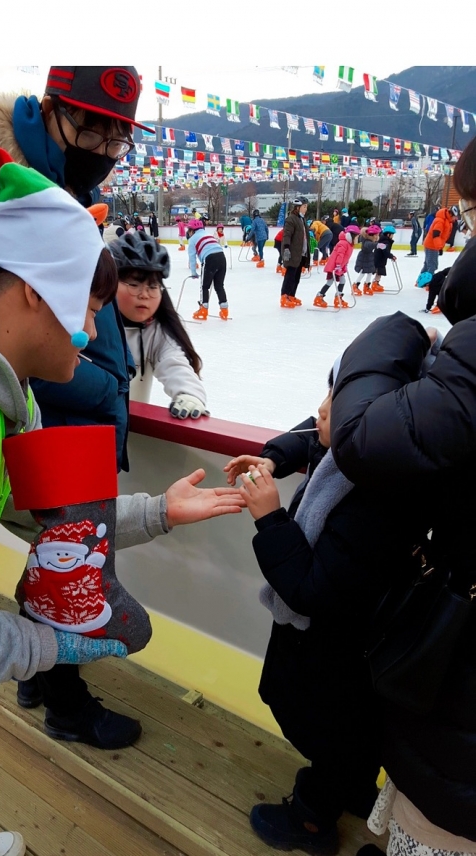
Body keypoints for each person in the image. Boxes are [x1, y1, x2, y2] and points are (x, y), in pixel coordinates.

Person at [0, 147, 246, 856]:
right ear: (34, 292)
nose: (98, 333)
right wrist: (59, 643)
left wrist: (159, 510)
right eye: (92, 307)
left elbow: (54, 518)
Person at [330, 136, 476, 856]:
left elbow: (368, 439)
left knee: (443, 801)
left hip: (461, 653)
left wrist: (379, 345)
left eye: (471, 217)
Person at [223, 370, 424, 856]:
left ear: (362, 422)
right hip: (357, 646)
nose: (320, 409)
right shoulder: (373, 456)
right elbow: (309, 435)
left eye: (334, 402)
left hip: (331, 644)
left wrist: (270, 518)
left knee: (323, 723)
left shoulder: (374, 503)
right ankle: (352, 787)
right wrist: (272, 457)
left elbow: (311, 588)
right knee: (350, 726)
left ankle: (312, 816)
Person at [0, 65, 153, 475]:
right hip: (52, 425)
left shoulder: (75, 187)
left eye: (117, 142)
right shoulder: (6, 186)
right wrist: (110, 386)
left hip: (84, 422)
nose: (102, 154)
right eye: (90, 134)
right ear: (52, 109)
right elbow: (4, 332)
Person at [111, 231, 208, 419]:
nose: (144, 294)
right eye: (134, 284)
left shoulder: (155, 332)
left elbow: (174, 362)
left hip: (128, 436)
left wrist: (189, 393)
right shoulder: (91, 326)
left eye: (153, 286)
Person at [187, 218, 229, 321]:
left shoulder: (192, 239)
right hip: (222, 257)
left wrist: (193, 272)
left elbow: (192, 258)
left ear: (192, 230)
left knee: (205, 286)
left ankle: (203, 310)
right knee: (219, 285)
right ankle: (224, 310)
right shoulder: (208, 234)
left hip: (209, 259)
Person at [313, 225, 360, 309]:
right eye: (356, 237)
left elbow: (346, 257)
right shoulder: (343, 243)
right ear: (351, 236)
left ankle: (338, 297)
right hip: (334, 267)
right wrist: (338, 265)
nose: (357, 239)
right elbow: (340, 255)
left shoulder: (349, 244)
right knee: (330, 282)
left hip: (339, 267)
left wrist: (344, 266)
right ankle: (319, 297)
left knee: (342, 280)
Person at [280, 197, 311, 309]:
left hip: (301, 252)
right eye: (304, 207)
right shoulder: (291, 219)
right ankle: (284, 296)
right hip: (293, 251)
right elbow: (286, 235)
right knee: (290, 275)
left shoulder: (302, 219)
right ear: (298, 207)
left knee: (297, 276)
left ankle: (292, 295)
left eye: (306, 207)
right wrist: (286, 248)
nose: (305, 209)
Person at [419, 206, 457, 283]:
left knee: (428, 264)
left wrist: (440, 247)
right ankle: (428, 283)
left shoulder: (447, 221)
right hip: (431, 245)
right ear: (451, 214)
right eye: (455, 217)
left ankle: (420, 281)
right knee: (432, 266)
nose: (456, 219)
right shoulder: (440, 221)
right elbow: (436, 234)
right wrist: (439, 247)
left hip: (433, 245)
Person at [351, 224, 380, 296]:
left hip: (369, 257)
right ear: (371, 235)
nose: (377, 237)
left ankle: (367, 286)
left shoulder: (370, 240)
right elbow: (369, 245)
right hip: (363, 258)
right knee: (363, 272)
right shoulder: (366, 241)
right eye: (376, 235)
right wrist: (377, 245)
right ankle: (355, 285)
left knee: (370, 272)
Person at [371, 223, 397, 292]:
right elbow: (386, 251)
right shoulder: (386, 242)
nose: (393, 236)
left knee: (378, 272)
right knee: (379, 272)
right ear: (388, 235)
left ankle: (375, 283)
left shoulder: (384, 240)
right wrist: (391, 256)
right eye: (392, 234)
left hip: (379, 259)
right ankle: (375, 284)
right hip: (379, 259)